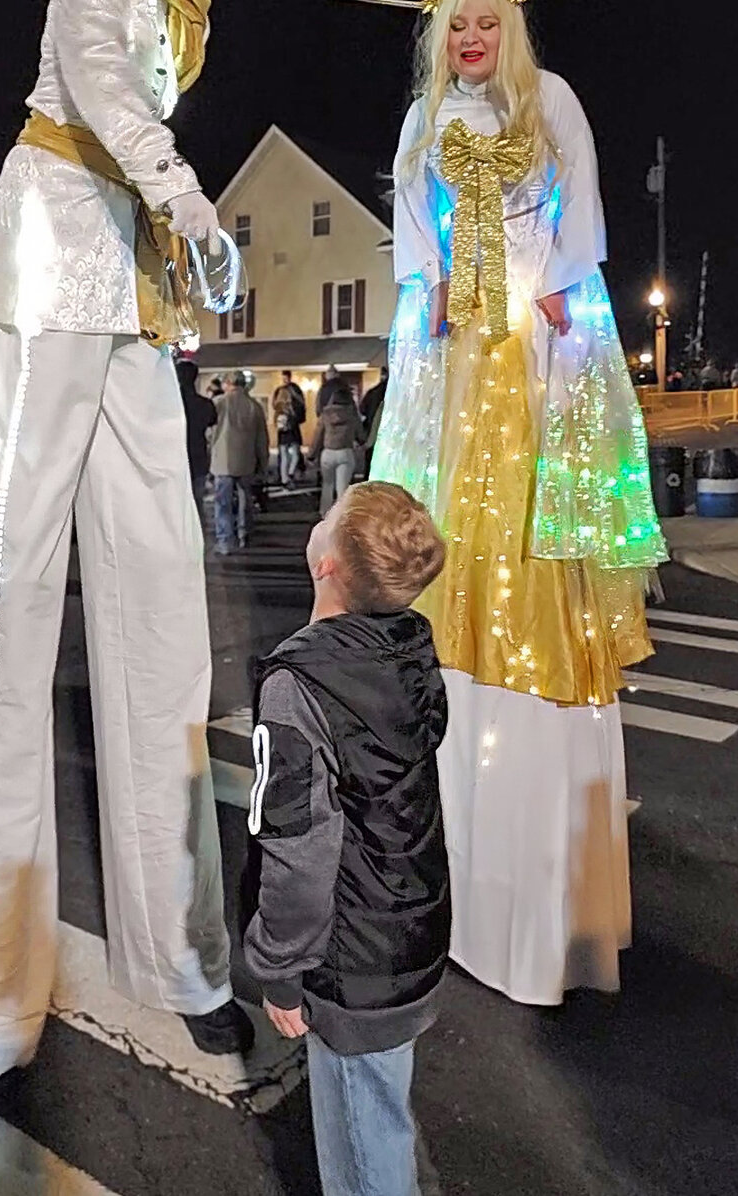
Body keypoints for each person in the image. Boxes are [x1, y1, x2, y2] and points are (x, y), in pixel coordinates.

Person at [0, 0, 262, 1112]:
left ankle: (183, 955)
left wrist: (178, 238)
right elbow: (94, 87)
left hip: (132, 289)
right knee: (19, 605)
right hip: (47, 259)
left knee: (160, 597)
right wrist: (193, 206)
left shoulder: (185, 6)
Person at [340, 0, 666, 1004]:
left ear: (509, 26)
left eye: (485, 24)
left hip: (536, 365)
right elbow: (414, 256)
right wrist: (429, 323)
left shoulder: (555, 106)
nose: (471, 42)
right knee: (450, 580)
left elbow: (581, 238)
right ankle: (458, 883)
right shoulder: (425, 126)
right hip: (458, 374)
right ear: (438, 38)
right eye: (454, 28)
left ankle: (539, 899)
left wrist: (547, 310)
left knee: (535, 572)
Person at [244, 481, 449, 1196]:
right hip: (410, 924)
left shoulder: (299, 684)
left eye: (329, 516)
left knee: (363, 1147)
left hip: (349, 956)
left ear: (327, 562)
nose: (319, 519)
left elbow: (296, 848)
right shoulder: (408, 641)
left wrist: (279, 966)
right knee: (382, 1109)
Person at [210, 371, 270, 553]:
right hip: (246, 460)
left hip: (222, 460)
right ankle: (244, 533)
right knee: (246, 500)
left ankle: (225, 541)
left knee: (223, 503)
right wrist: (263, 463)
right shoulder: (254, 406)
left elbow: (209, 433)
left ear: (228, 383)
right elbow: (262, 439)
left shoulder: (218, 404)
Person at [308, 378, 365, 514]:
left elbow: (318, 435)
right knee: (343, 488)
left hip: (328, 453)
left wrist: (311, 455)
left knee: (327, 485)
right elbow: (360, 433)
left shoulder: (325, 414)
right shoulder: (351, 414)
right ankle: (340, 516)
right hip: (345, 452)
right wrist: (362, 441)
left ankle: (324, 514)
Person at [176, 357, 217, 523]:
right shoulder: (205, 404)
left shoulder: (170, 404)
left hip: (174, 459)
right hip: (198, 457)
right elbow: (212, 420)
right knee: (196, 503)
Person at [272, 370, 306, 487]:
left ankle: (284, 478)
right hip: (293, 427)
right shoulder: (295, 392)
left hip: (283, 430)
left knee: (284, 454)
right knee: (295, 453)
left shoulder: (279, 404)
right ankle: (289, 475)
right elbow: (301, 407)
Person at [359, 365, 388, 476]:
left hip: (373, 434)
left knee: (370, 468)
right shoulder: (396, 393)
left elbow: (363, 410)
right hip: (388, 438)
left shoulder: (373, 392)